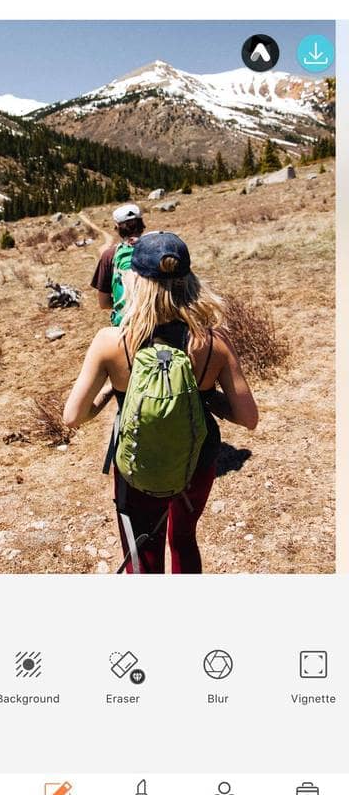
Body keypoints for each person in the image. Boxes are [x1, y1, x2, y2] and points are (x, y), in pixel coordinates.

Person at [64, 232, 258, 574]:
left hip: (137, 465)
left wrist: (111, 391)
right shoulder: (213, 341)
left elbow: (73, 416)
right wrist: (206, 395)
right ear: (190, 282)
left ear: (135, 280)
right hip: (197, 463)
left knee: (143, 550)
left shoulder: (112, 341)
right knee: (184, 539)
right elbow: (248, 417)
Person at [91, 203, 145, 325]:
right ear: (141, 224)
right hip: (159, 321)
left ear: (117, 228)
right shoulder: (158, 248)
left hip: (127, 324)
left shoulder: (109, 255)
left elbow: (103, 303)